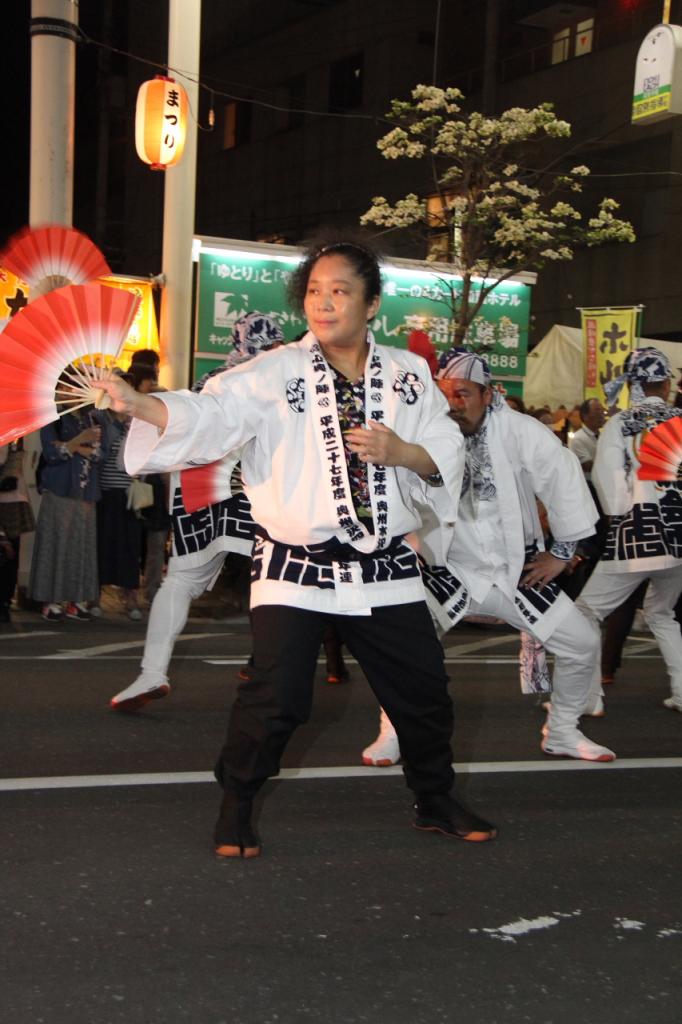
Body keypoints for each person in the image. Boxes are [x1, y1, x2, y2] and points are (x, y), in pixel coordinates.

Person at [97, 238, 497, 857]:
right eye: (314, 290)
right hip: (295, 563)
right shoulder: (272, 372)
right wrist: (141, 404)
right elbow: (210, 415)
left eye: (340, 290)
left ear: (371, 304)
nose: (323, 302)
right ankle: (237, 803)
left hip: (384, 563)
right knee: (276, 696)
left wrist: (402, 453)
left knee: (422, 692)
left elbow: (442, 449)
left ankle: (435, 797)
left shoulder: (408, 375)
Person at [363, 348, 615, 767]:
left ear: (487, 393)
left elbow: (563, 478)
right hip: (447, 569)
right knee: (406, 649)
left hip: (514, 570)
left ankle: (564, 731)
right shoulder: (424, 431)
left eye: (462, 393)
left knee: (582, 642)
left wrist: (561, 553)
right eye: (444, 393)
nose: (452, 403)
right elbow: (391, 487)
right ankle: (393, 733)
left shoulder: (521, 431)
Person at [109, 312, 284, 711]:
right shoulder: (273, 383)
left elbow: (180, 430)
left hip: (199, 492)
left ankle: (151, 673)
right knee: (278, 577)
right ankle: (270, 670)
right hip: (256, 490)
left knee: (180, 582)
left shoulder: (211, 381)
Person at [576, 347, 682, 714]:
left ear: (633, 384)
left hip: (638, 534)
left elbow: (609, 484)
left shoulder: (622, 423)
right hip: (679, 538)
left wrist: (619, 515)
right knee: (662, 613)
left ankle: (588, 697)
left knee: (585, 613)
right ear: (666, 383)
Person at [28, 394, 108, 621]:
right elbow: (52, 453)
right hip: (60, 489)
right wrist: (81, 443)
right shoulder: (54, 418)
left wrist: (75, 446)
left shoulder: (92, 417)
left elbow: (101, 453)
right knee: (56, 544)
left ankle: (76, 599)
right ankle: (50, 600)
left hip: (86, 490)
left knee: (81, 546)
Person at [97, 392, 145, 620]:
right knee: (103, 544)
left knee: (129, 548)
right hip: (107, 493)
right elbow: (102, 453)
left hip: (129, 494)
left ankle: (130, 595)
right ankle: (94, 595)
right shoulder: (101, 422)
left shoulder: (135, 422)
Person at [0, 439, 35, 622]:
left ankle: (5, 602)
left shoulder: (16, 433)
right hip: (10, 496)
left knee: (10, 556)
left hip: (12, 498)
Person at [569, 398, 606, 481]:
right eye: (597, 411)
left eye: (602, 410)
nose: (602, 414)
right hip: (589, 485)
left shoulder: (603, 435)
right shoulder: (578, 438)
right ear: (585, 416)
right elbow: (588, 465)